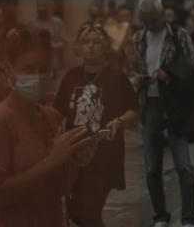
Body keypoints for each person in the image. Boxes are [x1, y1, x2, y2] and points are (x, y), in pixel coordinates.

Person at [0, 29, 98, 226]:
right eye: (28, 69)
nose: (37, 76)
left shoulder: (51, 116)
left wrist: (76, 160)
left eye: (44, 69)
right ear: (9, 70)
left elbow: (57, 189)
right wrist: (52, 161)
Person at [54, 24, 140, 227]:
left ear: (105, 47)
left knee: (89, 213)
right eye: (86, 42)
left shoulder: (117, 77)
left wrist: (119, 122)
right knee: (75, 212)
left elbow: (134, 111)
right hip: (75, 155)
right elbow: (57, 113)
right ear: (79, 47)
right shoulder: (71, 76)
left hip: (105, 156)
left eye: (96, 42)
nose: (91, 46)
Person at [126, 0, 194, 227]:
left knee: (183, 165)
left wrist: (169, 73)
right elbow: (129, 71)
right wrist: (140, 80)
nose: (150, 26)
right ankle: (160, 215)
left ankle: (188, 217)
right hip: (149, 104)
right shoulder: (137, 39)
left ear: (162, 15)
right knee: (151, 169)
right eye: (145, 21)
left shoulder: (178, 36)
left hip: (174, 106)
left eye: (154, 20)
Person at [27, 0, 68, 72]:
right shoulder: (31, 23)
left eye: (42, 5)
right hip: (34, 62)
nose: (40, 8)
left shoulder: (58, 23)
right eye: (38, 6)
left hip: (52, 61)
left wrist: (49, 46)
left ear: (49, 7)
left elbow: (63, 41)